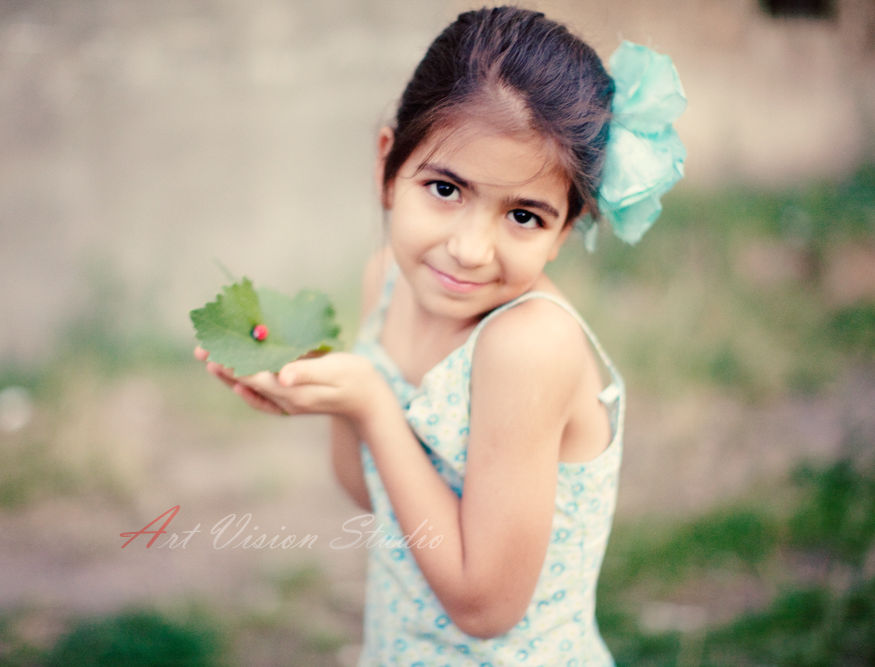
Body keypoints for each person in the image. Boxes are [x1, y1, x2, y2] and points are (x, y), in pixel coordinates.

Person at [196, 6, 685, 665]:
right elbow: (369, 491)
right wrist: (332, 394)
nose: (470, 249)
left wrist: (372, 401)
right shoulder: (387, 282)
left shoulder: (527, 345)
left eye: (523, 215)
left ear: (564, 230)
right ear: (386, 166)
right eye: (446, 188)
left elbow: (485, 605)